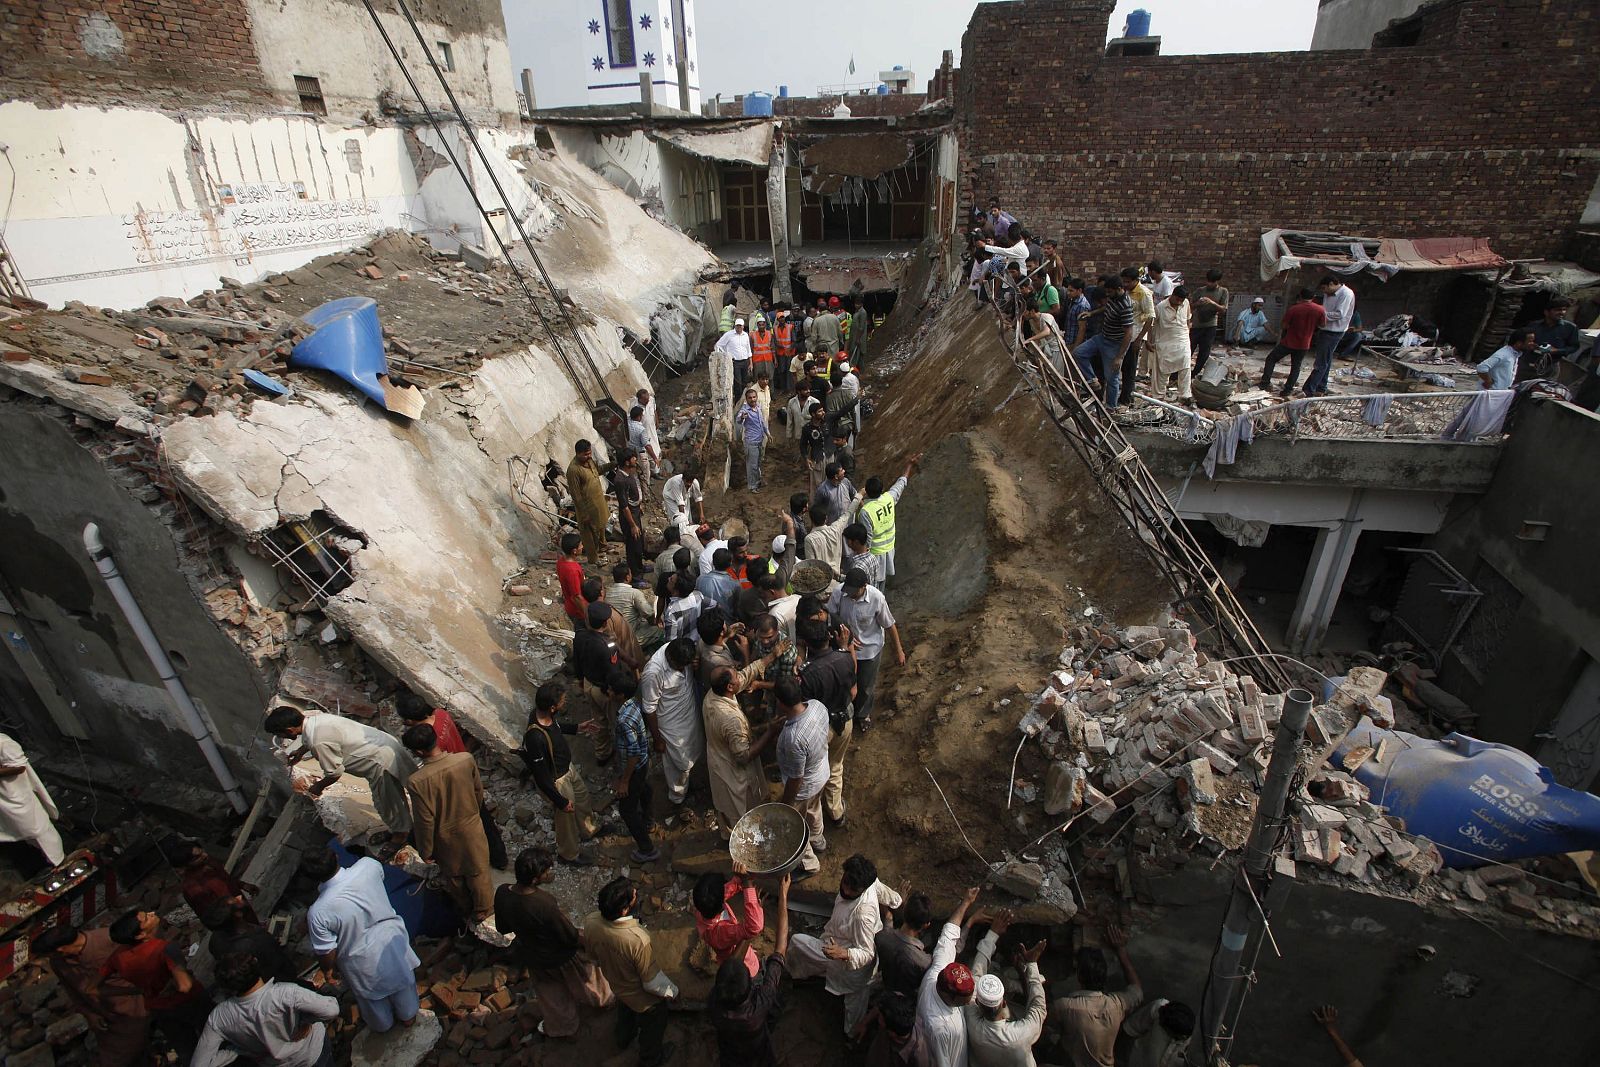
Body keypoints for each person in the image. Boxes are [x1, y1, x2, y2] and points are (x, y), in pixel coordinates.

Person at [496, 847, 612, 1038]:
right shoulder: (544, 903)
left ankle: (563, 1028)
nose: (548, 874)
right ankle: (605, 1002)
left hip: (533, 958)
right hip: (560, 956)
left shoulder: (502, 893)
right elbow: (569, 935)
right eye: (545, 872)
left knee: (552, 998)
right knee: (589, 984)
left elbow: (503, 928)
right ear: (535, 879)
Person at [305, 846, 420, 1032]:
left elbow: (326, 951)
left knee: (373, 1003)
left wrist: (328, 971)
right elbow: (379, 878)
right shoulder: (368, 866)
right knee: (404, 985)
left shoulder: (318, 912)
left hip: (359, 961)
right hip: (391, 940)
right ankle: (408, 1017)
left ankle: (383, 1027)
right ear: (335, 856)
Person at [788, 854, 903, 1031]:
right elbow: (887, 895)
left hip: (850, 965)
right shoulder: (868, 881)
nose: (846, 890)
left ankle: (852, 1035)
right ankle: (797, 974)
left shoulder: (862, 915)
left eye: (852, 889)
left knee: (854, 1002)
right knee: (798, 944)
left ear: (863, 888)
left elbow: (867, 953)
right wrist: (897, 899)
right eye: (845, 882)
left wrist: (844, 953)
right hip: (832, 944)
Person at [268, 707, 415, 838]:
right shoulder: (316, 720)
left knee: (388, 802)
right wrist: (300, 752)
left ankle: (400, 834)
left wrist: (318, 787)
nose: (282, 738)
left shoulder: (317, 742)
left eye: (280, 734)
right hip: (385, 744)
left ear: (289, 730)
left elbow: (334, 772)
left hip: (378, 763)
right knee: (417, 785)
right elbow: (313, 738)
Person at [396, 694, 505, 870]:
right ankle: (499, 857)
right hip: (464, 771)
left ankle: (468, 859)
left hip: (452, 780)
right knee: (483, 816)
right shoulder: (441, 715)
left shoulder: (431, 739)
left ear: (409, 720)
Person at [400, 722, 493, 924]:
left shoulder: (417, 781)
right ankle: (483, 909)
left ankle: (465, 907)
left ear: (417, 751)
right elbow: (478, 792)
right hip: (471, 826)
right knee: (479, 871)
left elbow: (424, 820)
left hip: (444, 835)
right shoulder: (465, 760)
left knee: (454, 876)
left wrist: (426, 850)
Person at [583, 877, 679, 1067]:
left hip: (618, 987)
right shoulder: (637, 940)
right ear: (625, 910)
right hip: (644, 1000)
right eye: (634, 896)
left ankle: (623, 1039)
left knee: (625, 1014)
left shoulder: (591, 922)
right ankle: (651, 1058)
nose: (637, 895)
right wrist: (672, 991)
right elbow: (651, 983)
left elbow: (593, 957)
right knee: (653, 1029)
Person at [191, 951, 340, 1067]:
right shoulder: (285, 993)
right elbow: (331, 1009)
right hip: (313, 1051)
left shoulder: (219, 1017)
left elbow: (200, 1064)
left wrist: (237, 1050)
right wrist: (305, 1021)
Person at [33, 922, 150, 1066]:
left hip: (133, 1009)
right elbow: (73, 992)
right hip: (105, 1018)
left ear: (61, 949)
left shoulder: (110, 940)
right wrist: (89, 1014)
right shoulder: (58, 962)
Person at [708, 871, 791, 1067]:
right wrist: (783, 895)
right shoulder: (761, 1002)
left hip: (730, 1056)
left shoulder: (714, 1004)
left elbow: (731, 965)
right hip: (759, 1055)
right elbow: (780, 946)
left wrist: (749, 931)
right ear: (751, 988)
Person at [103, 909, 210, 1058]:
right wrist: (173, 982)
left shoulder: (118, 957)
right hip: (190, 1002)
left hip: (160, 1009)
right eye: (147, 917)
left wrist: (139, 990)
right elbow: (185, 986)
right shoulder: (164, 949)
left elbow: (92, 988)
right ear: (140, 934)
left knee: (187, 1050)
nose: (152, 913)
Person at [702, 665, 782, 834]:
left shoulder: (712, 695)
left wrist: (769, 658)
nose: (740, 677)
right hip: (733, 771)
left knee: (726, 808)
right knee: (744, 813)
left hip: (718, 760)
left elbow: (746, 676)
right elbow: (743, 756)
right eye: (736, 676)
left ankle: (729, 834)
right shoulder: (732, 720)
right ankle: (746, 844)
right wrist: (770, 732)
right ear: (730, 687)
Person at [1052, 924, 1143, 1067]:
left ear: (1079, 976)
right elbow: (1137, 989)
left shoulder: (1065, 1007)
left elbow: (1036, 1016)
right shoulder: (1117, 1004)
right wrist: (1121, 951)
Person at [966, 911, 1048, 1067]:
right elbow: (1038, 1007)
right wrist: (1031, 964)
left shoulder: (972, 1023)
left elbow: (975, 974)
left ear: (977, 1001)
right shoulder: (1021, 1034)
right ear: (1004, 1003)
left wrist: (992, 934)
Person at [829, 567, 904, 733]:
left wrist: (899, 650)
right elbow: (831, 615)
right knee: (846, 682)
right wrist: (844, 628)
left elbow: (889, 624)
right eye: (848, 590)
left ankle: (863, 715)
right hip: (846, 650)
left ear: (864, 586)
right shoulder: (839, 593)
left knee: (866, 686)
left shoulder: (877, 598)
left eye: (854, 591)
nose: (850, 594)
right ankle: (846, 712)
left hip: (870, 650)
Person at [798, 625, 858, 825]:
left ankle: (815, 818)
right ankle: (836, 811)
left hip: (821, 728)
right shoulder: (845, 658)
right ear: (829, 638)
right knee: (836, 766)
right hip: (845, 720)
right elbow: (853, 693)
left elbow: (805, 710)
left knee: (814, 771)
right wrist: (844, 647)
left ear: (807, 645)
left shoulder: (807, 673)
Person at [916, 886, 981, 1067]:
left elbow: (949, 934)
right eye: (966, 998)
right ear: (951, 996)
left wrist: (967, 901)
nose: (970, 1001)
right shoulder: (939, 1029)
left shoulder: (939, 971)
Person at [775, 676, 830, 876]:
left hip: (804, 787)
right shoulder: (817, 706)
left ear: (780, 703)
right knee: (815, 809)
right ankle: (818, 839)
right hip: (822, 772)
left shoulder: (793, 738)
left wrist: (787, 804)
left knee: (795, 825)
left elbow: (796, 778)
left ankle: (809, 863)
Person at [640, 635, 702, 806]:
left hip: (690, 714)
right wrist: (658, 739)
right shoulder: (653, 673)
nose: (684, 668)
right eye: (681, 666)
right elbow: (649, 709)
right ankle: (677, 799)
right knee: (679, 764)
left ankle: (688, 784)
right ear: (671, 659)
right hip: (671, 726)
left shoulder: (682, 650)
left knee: (692, 755)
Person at [609, 670, 659, 861]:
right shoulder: (634, 704)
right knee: (644, 789)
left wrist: (624, 781)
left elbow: (633, 753)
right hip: (643, 762)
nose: (609, 692)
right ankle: (648, 820)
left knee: (627, 810)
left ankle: (647, 849)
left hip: (635, 767)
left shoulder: (624, 719)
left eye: (612, 690)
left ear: (620, 695)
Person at [0, 730, 64, 867]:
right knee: (19, 832)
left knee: (35, 828)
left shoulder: (4, 743)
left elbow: (18, 767)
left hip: (16, 795)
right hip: (4, 799)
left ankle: (57, 860)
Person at [160, 838, 257, 925]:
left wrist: (243, 885)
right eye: (197, 857)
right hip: (234, 921)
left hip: (244, 909)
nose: (205, 855)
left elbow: (226, 879)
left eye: (202, 852)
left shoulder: (209, 863)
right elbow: (212, 917)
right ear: (186, 865)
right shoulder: (194, 889)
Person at [1074, 275, 1135, 410]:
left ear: (1119, 289)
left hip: (1114, 344)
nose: (1107, 294)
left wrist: (1119, 357)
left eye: (1110, 292)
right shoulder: (1113, 298)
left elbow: (1129, 333)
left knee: (1111, 378)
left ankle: (1110, 407)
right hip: (1102, 337)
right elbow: (1107, 307)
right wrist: (1092, 313)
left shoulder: (1126, 306)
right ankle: (1092, 380)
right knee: (1079, 353)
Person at [693, 862, 765, 976]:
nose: (725, 887)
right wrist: (747, 884)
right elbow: (754, 927)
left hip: (731, 956)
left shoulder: (704, 906)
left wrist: (740, 878)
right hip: (744, 969)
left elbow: (725, 891)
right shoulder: (720, 933)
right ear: (721, 902)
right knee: (752, 973)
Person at [200, 899, 297, 983]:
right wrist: (272, 944)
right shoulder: (257, 941)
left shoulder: (215, 940)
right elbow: (277, 964)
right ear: (238, 914)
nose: (239, 897)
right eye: (236, 901)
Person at [860, 454, 919, 587]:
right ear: (881, 490)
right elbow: (901, 483)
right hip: (889, 549)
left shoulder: (866, 512)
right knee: (882, 582)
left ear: (867, 492)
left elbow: (867, 538)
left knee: (873, 584)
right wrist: (909, 465)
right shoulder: (889, 498)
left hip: (875, 554)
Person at [1259, 288, 1326, 397]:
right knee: (1296, 367)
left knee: (1271, 359)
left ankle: (1265, 382)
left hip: (1289, 341)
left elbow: (1284, 326)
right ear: (1313, 297)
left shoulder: (1294, 309)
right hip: (1304, 344)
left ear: (1300, 296)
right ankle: (1287, 390)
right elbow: (1322, 325)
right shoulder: (1320, 310)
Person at [1304, 276, 1356, 397]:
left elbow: (1339, 314)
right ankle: (1321, 387)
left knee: (1321, 363)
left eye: (1324, 288)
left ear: (1332, 284)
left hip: (1334, 331)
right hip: (1325, 328)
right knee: (1325, 360)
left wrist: (1320, 315)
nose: (1324, 291)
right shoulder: (1329, 294)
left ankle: (1309, 389)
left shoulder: (1346, 293)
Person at [875, 892, 935, 996]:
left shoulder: (881, 937)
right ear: (926, 925)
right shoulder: (924, 962)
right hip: (907, 998)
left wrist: (896, 904)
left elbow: (888, 922)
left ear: (904, 912)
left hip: (885, 984)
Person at [566, 439, 610, 566]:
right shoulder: (573, 470)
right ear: (578, 453)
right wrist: (584, 513)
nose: (588, 456)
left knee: (601, 526)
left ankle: (603, 546)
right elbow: (576, 495)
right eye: (585, 454)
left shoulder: (589, 461)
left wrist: (612, 465)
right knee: (589, 535)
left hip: (598, 503)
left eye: (589, 453)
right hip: (586, 507)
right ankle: (593, 559)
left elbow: (598, 470)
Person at [1149, 286, 1193, 403]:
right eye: (1177, 299)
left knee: (1185, 367)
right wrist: (1150, 341)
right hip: (1165, 342)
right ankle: (1158, 396)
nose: (1179, 303)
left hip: (1182, 340)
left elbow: (1188, 320)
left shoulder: (1186, 303)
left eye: (1181, 301)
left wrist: (1187, 332)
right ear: (1172, 295)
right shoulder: (1160, 307)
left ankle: (1185, 395)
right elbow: (1151, 325)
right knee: (1163, 370)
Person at [1124, 999, 1196, 1067]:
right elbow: (1131, 1028)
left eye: (1164, 1028)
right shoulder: (1158, 1009)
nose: (1159, 1023)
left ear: (1179, 1036)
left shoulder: (1197, 1046)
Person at [1121, 267, 1157, 402]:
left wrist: (1140, 339)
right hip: (1125, 333)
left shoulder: (1144, 293)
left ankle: (1127, 397)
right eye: (1124, 282)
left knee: (1130, 368)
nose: (1125, 285)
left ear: (1136, 281)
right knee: (1123, 366)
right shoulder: (1126, 291)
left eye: (1128, 282)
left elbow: (1150, 317)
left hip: (1135, 334)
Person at [610, 449, 647, 576]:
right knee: (633, 546)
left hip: (635, 511)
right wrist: (632, 525)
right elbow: (624, 506)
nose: (635, 460)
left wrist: (638, 504)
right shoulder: (620, 480)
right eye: (633, 458)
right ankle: (636, 575)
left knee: (639, 543)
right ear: (627, 462)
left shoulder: (628, 473)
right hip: (629, 517)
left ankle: (640, 567)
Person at [1189, 270, 1229, 374]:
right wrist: (1198, 303)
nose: (1209, 284)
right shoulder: (1200, 291)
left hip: (1210, 325)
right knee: (1189, 348)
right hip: (1197, 324)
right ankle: (1180, 372)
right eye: (1208, 281)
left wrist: (1211, 302)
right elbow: (1190, 306)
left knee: (1204, 352)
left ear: (1217, 281)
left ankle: (1195, 372)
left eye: (1212, 282)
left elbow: (1223, 309)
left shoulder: (1223, 292)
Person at [1530, 297, 1581, 370]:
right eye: (1558, 310)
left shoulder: (1570, 328)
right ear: (1546, 312)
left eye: (1564, 310)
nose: (1562, 312)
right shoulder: (1534, 325)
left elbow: (1574, 347)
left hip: (1552, 366)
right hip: (1530, 362)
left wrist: (1557, 351)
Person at [736, 385, 770, 492]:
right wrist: (742, 417)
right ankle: (752, 486)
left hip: (759, 440)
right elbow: (738, 419)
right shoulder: (745, 410)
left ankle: (758, 481)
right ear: (746, 399)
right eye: (750, 398)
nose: (753, 399)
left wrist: (768, 434)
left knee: (758, 463)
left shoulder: (758, 407)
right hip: (751, 442)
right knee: (752, 466)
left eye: (754, 397)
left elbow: (762, 422)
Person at [555, 530, 589, 630]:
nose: (582, 546)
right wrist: (587, 615)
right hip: (577, 611)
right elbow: (576, 597)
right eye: (580, 545)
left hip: (569, 604)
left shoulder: (561, 561)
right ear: (574, 551)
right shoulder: (572, 570)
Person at [717, 317, 755, 399]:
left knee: (745, 382)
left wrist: (750, 363)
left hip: (745, 362)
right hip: (735, 362)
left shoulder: (745, 335)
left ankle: (744, 400)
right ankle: (738, 401)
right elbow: (719, 345)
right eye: (737, 326)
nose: (739, 328)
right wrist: (725, 356)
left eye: (740, 326)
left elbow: (748, 350)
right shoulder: (729, 335)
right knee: (738, 383)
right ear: (735, 326)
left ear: (743, 326)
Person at [663, 464, 706, 532]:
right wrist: (684, 520)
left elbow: (698, 498)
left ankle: (687, 530)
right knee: (678, 519)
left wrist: (702, 515)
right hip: (670, 497)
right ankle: (677, 533)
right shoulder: (676, 482)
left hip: (684, 497)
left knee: (688, 518)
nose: (689, 484)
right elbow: (680, 503)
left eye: (690, 482)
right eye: (687, 482)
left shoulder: (695, 482)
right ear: (683, 479)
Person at [627, 405, 659, 483]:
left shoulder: (627, 425)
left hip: (630, 454)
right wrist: (655, 458)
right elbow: (647, 445)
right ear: (639, 416)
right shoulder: (641, 429)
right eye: (641, 415)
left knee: (634, 477)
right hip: (640, 454)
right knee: (645, 477)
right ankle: (645, 493)